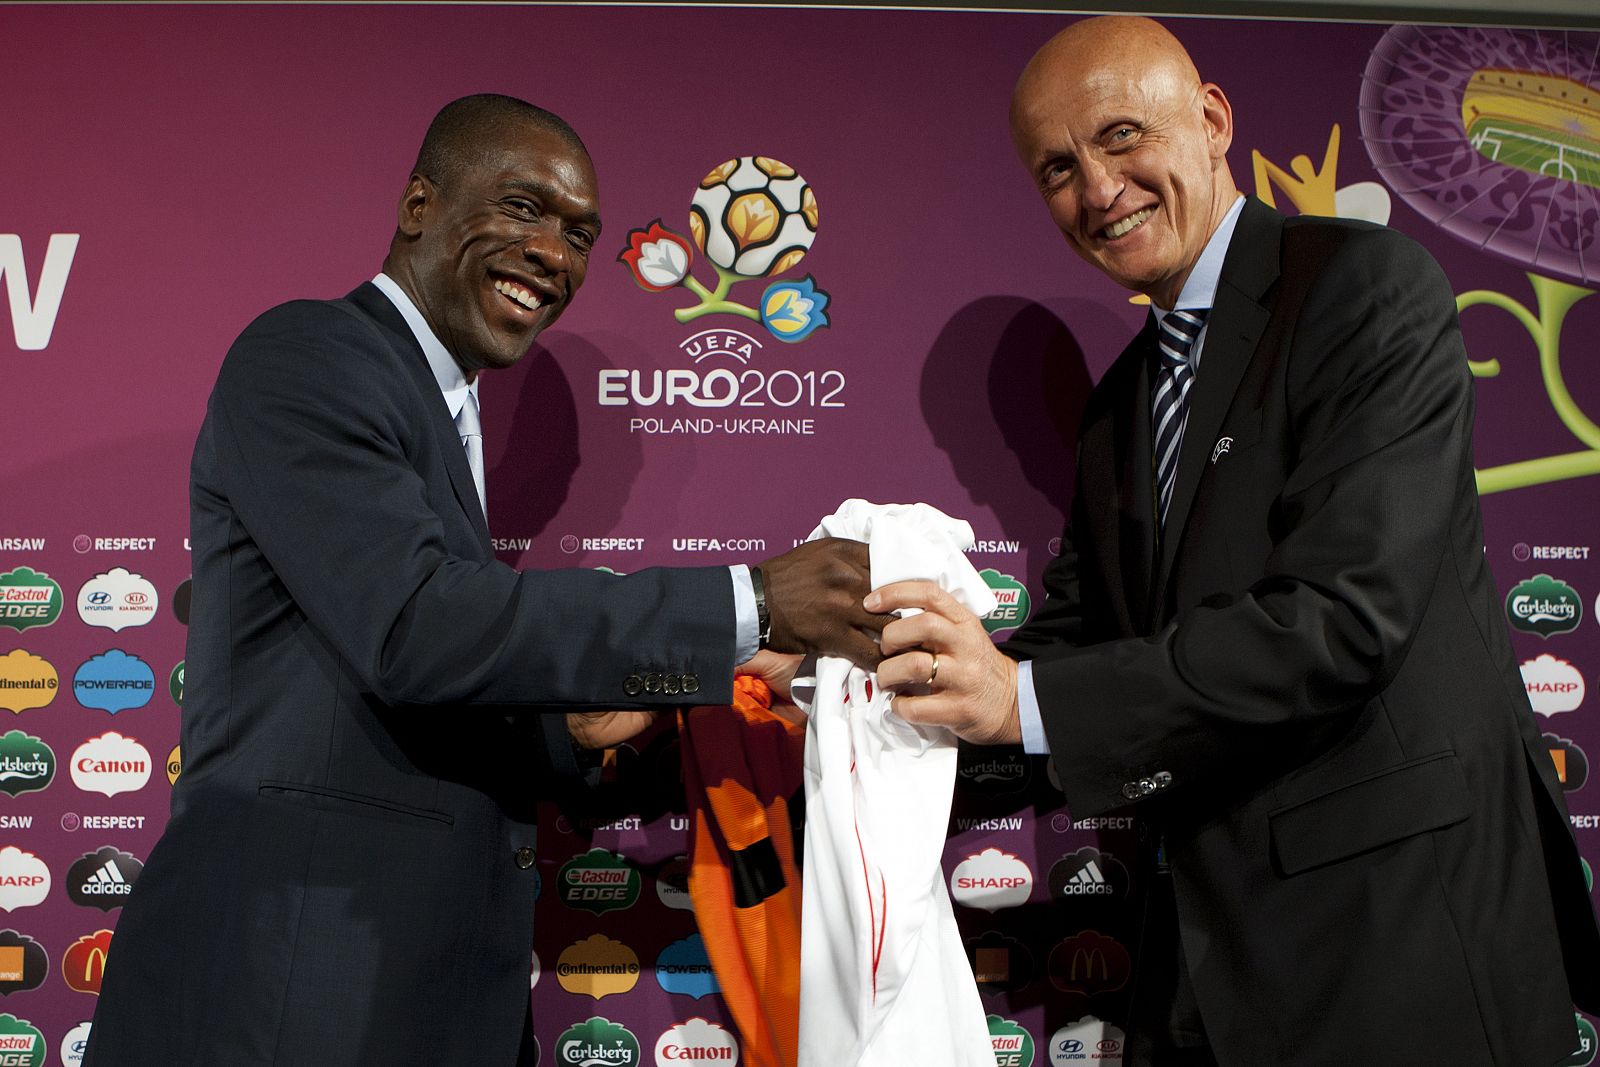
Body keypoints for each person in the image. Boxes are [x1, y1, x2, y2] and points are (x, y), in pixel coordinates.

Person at [83, 94, 880, 1067]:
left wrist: (572, 729)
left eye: (580, 232)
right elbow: (415, 623)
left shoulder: (440, 408)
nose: (555, 251)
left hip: (420, 990)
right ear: (420, 203)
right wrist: (748, 602)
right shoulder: (309, 354)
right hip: (290, 985)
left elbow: (382, 693)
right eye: (522, 208)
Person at [871, 17, 1600, 1066]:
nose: (1098, 187)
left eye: (1122, 135)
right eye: (1058, 168)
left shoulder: (1362, 287)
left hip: (1399, 946)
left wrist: (1019, 699)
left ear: (1209, 120)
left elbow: (1345, 621)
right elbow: (1071, 643)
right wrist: (873, 671)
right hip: (1205, 959)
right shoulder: (1121, 401)